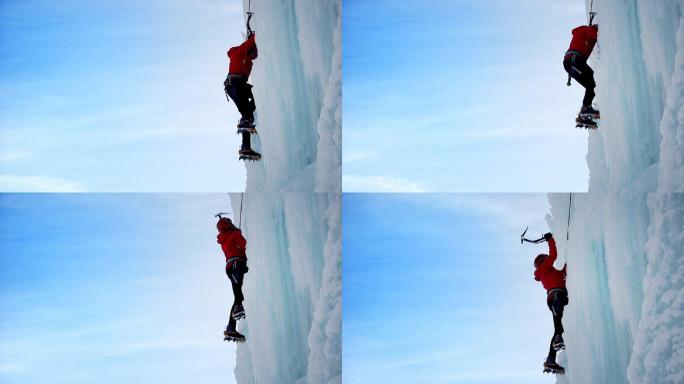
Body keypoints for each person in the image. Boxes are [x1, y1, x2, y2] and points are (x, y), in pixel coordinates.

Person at [533, 232, 568, 374]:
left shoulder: (552, 273)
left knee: (559, 328)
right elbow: (553, 255)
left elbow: (564, 274)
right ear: (542, 261)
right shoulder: (544, 268)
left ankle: (550, 360)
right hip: (556, 297)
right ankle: (555, 346)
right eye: (545, 258)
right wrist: (550, 239)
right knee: (559, 327)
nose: (548, 258)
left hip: (557, 296)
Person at [225, 32, 261, 160]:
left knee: (248, 115)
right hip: (235, 84)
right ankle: (245, 121)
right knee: (257, 98)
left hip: (236, 86)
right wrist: (257, 31)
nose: (256, 54)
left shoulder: (249, 61)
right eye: (256, 50)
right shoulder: (241, 51)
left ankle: (245, 147)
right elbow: (253, 40)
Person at [217, 217, 249, 342]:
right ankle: (236, 315)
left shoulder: (223, 239)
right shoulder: (234, 234)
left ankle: (231, 327)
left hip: (230, 267)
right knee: (239, 296)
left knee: (238, 296)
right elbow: (245, 246)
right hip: (238, 265)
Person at [564, 23, 600, 125]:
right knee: (592, 83)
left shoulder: (585, 34)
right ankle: (585, 109)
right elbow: (598, 35)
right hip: (574, 61)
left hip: (575, 62)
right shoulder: (585, 29)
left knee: (594, 84)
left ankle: (584, 112)